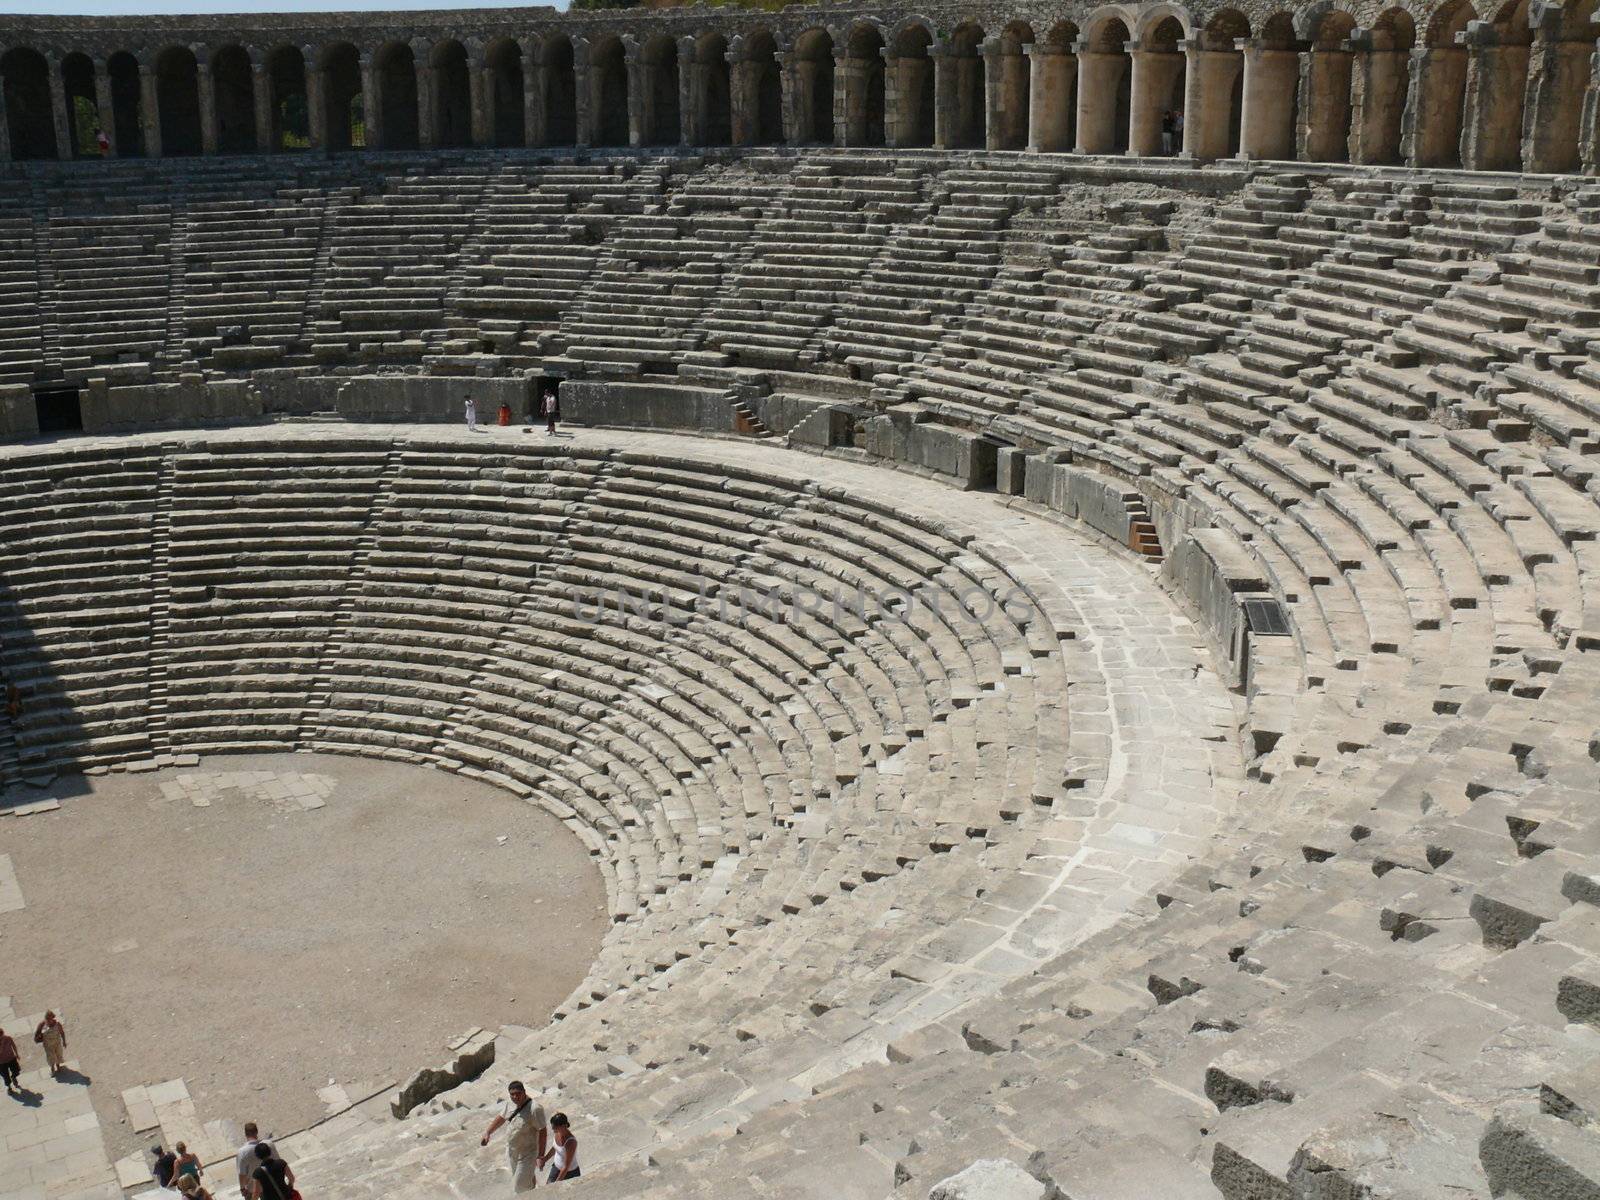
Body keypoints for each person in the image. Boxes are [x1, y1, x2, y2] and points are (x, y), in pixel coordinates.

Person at [481, 1079, 547, 1194]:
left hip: (528, 1153)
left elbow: (543, 1131)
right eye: (512, 1094)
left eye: (518, 1094)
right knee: (524, 1180)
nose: (515, 1097)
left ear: (524, 1092)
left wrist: (541, 1156)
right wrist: (488, 1132)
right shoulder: (510, 1103)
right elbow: (501, 1117)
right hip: (513, 1151)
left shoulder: (535, 1109)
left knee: (519, 1187)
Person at [237, 1123, 275, 1197]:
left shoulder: (242, 1152)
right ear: (257, 1131)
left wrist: (242, 1188)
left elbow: (242, 1174)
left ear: (245, 1134)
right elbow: (277, 1161)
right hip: (270, 1184)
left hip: (252, 1188)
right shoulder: (269, 1144)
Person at [540, 1113, 578, 1183]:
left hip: (570, 1173)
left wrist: (557, 1182)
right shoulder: (557, 1133)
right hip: (556, 1167)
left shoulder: (571, 1142)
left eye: (555, 1127)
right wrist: (545, 1159)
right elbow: (555, 1148)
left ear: (564, 1126)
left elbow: (566, 1166)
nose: (553, 1129)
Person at [34, 1011, 66, 1076]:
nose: (48, 1020)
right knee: (50, 1057)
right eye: (47, 1019)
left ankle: (58, 1065)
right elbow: (37, 1034)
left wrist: (64, 1042)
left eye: (49, 1019)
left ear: (52, 1018)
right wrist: (38, 1037)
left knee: (58, 1054)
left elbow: (62, 1032)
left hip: (57, 1042)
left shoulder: (57, 1024)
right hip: (48, 1045)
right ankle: (52, 1068)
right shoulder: (42, 1025)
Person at [0, 1027, 19, 1092]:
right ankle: (9, 1087)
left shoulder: (8, 1038)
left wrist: (16, 1054)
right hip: (1, 1062)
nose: (2, 1037)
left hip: (11, 1058)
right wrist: (2, 1044)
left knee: (16, 1070)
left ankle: (13, 1077)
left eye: (2, 1035)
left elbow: (13, 1045)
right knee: (5, 1076)